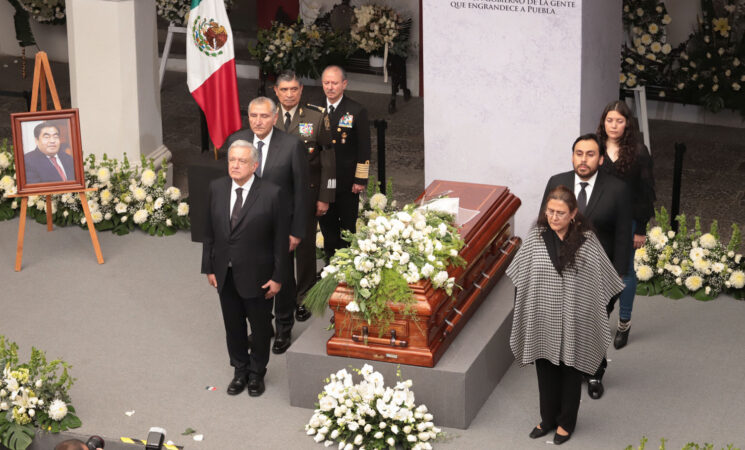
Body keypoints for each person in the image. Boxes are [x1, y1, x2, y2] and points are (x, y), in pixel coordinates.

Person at [507, 186, 624, 445]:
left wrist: (593, 313)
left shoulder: (588, 241)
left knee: (571, 369)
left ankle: (566, 423)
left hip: (575, 320)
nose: (554, 217)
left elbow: (606, 280)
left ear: (573, 214)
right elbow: (521, 276)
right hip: (542, 317)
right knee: (545, 367)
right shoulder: (536, 236)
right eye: (550, 211)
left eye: (560, 212)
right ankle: (547, 419)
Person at [541, 133, 632, 400]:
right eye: (579, 153)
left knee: (593, 324)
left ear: (601, 159)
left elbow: (623, 234)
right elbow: (545, 224)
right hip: (560, 273)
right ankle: (564, 367)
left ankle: (594, 373)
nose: (583, 159)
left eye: (590, 154)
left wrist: (619, 274)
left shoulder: (617, 189)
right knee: (563, 321)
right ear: (572, 156)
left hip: (599, 275)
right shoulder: (557, 182)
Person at [201, 140, 289, 397]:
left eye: (242, 161)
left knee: (260, 329)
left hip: (259, 276)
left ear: (255, 165)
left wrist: (277, 277)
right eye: (232, 160)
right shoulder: (216, 188)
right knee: (233, 327)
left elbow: (280, 241)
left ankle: (256, 373)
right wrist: (209, 267)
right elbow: (209, 232)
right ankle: (240, 370)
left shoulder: (272, 193)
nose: (236, 165)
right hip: (225, 274)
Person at [223, 96, 310, 354]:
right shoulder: (236, 142)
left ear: (274, 118)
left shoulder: (292, 145)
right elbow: (229, 185)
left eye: (263, 116)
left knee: (281, 275)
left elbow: (302, 191)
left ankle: (284, 327)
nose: (258, 121)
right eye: (253, 116)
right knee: (254, 276)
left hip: (280, 226)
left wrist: (297, 230)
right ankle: (263, 325)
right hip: (247, 227)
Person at [273, 70, 336, 323]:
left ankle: (305, 296)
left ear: (301, 90)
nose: (289, 94)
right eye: (284, 90)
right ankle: (284, 294)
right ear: (275, 91)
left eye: (294, 89)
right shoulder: (266, 115)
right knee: (278, 246)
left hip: (307, 193)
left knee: (306, 247)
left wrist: (325, 196)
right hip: (275, 196)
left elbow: (328, 157)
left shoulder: (316, 116)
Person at [597, 100, 656, 350]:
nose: (614, 125)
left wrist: (641, 228)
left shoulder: (639, 151)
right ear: (603, 122)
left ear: (627, 124)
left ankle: (624, 322)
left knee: (626, 272)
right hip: (598, 220)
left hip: (628, 220)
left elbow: (646, 191)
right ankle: (597, 320)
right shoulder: (594, 147)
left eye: (619, 121)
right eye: (610, 120)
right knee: (597, 269)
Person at [317, 65, 371, 260]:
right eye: (326, 83)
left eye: (335, 83)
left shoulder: (356, 110)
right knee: (327, 227)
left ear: (344, 84)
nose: (330, 87)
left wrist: (360, 179)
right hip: (323, 181)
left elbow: (364, 148)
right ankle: (330, 264)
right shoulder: (313, 108)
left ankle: (347, 266)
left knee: (348, 227)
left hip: (347, 181)